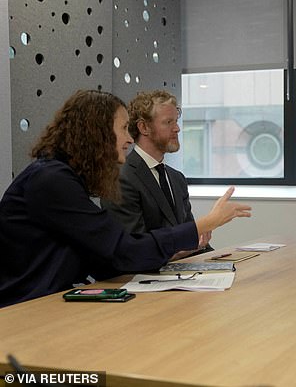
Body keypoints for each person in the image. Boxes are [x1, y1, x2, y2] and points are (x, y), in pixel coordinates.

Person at [0, 90, 251, 308]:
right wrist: (205, 224)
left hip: (45, 304)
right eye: (122, 128)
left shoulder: (60, 178)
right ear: (96, 132)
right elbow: (123, 250)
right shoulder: (51, 180)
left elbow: (106, 257)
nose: (129, 139)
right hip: (21, 312)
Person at [101, 90, 210, 259]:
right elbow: (135, 251)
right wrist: (193, 244)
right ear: (144, 127)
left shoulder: (177, 178)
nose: (177, 128)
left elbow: (192, 236)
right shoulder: (121, 179)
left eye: (176, 121)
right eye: (168, 122)